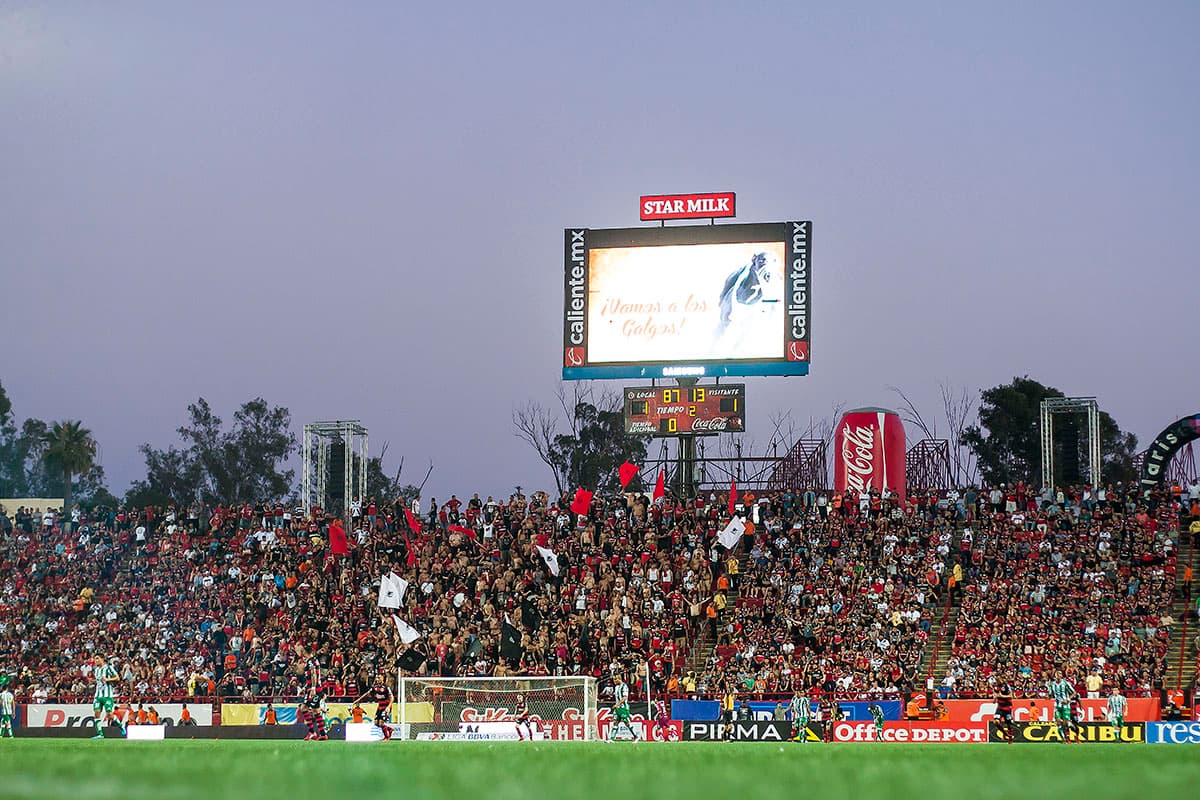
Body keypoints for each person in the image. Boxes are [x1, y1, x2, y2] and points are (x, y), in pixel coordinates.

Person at [89, 656, 125, 739]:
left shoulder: (109, 668)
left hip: (107, 696)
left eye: (97, 658)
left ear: (102, 659)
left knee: (109, 714)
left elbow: (117, 678)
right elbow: (99, 681)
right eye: (95, 659)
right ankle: (100, 734)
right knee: (97, 714)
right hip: (98, 696)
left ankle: (120, 726)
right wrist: (93, 681)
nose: (96, 660)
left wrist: (107, 679)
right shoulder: (96, 669)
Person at [1046, 670, 1076, 743]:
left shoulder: (1065, 683)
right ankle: (1064, 739)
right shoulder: (1052, 684)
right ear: (1055, 675)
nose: (1059, 675)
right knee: (1059, 722)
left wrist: (1068, 699)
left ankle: (1074, 735)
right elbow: (1050, 695)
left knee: (1065, 723)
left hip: (1065, 706)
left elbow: (1074, 692)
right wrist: (1047, 696)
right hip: (1057, 706)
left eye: (1060, 674)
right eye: (1057, 674)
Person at [609, 677, 639, 742]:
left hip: (623, 708)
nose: (614, 681)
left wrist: (617, 705)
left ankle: (636, 736)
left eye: (615, 679)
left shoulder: (624, 686)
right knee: (615, 722)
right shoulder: (616, 687)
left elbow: (625, 697)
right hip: (617, 708)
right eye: (614, 679)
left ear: (619, 679)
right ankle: (611, 739)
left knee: (627, 723)